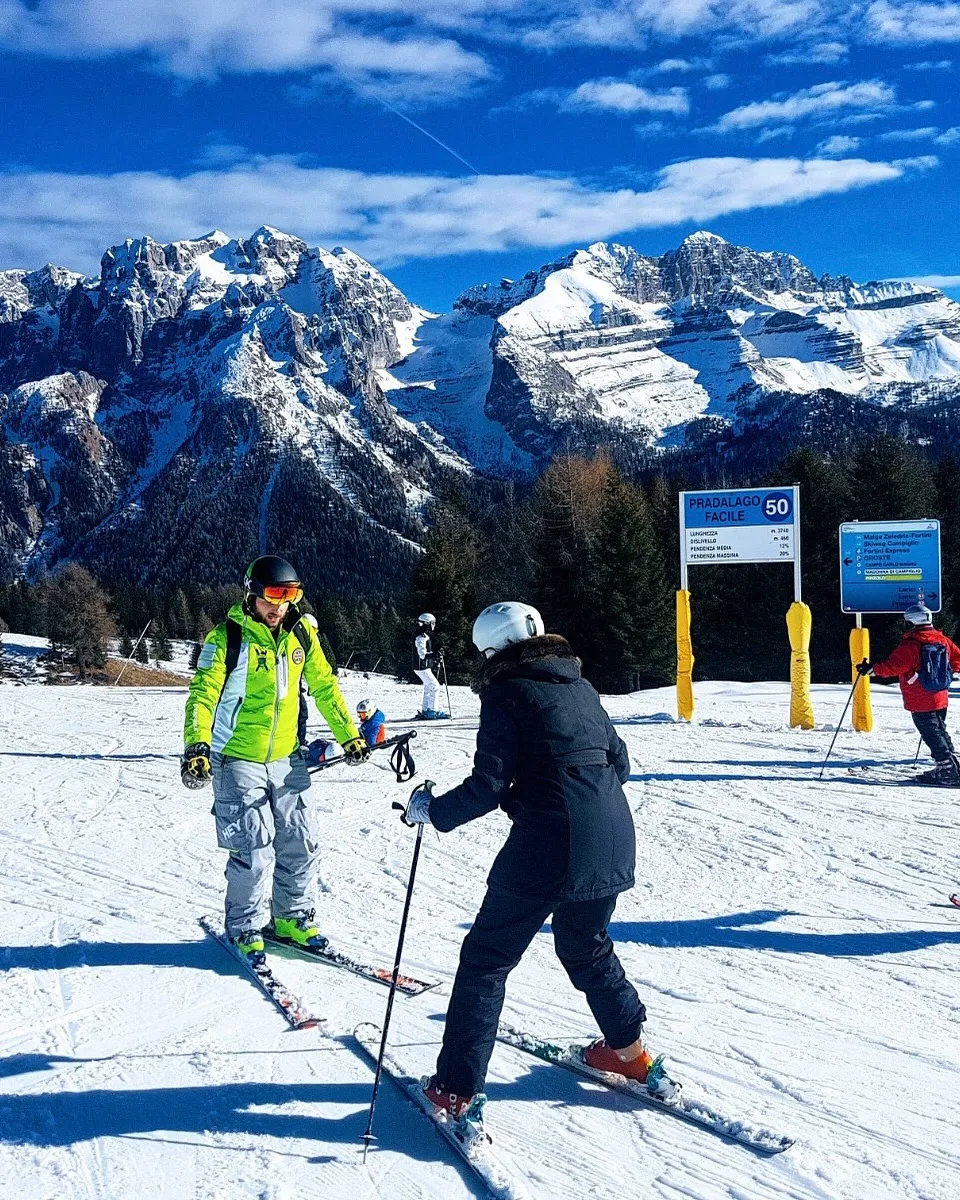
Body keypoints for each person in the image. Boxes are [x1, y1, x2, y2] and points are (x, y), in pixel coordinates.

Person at [400, 601, 672, 1130]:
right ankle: (630, 1055)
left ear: (494, 650)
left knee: (486, 959)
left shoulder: (506, 691)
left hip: (550, 844)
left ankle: (456, 1090)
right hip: (612, 836)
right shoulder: (579, 684)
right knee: (585, 946)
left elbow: (488, 784)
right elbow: (620, 762)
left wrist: (433, 811)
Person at [181, 555, 370, 963]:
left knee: (302, 841)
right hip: (236, 758)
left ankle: (291, 918)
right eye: (272, 595)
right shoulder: (227, 638)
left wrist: (350, 736)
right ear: (252, 595)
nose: (279, 606)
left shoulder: (301, 635)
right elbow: (202, 694)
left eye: (289, 596)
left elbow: (324, 686)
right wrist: (197, 745)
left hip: (287, 757)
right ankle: (245, 926)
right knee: (254, 847)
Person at [858, 602, 960, 785]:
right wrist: (947, 673)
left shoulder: (912, 645)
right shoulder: (941, 639)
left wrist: (871, 670)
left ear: (913, 622)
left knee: (931, 732)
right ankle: (951, 766)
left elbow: (892, 666)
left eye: (907, 622)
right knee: (939, 730)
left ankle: (946, 769)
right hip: (940, 694)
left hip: (920, 697)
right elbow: (957, 657)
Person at [413, 613, 447, 719]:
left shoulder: (423, 636)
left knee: (429, 687)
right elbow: (422, 655)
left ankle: (426, 709)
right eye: (432, 623)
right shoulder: (421, 637)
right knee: (435, 686)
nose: (434, 625)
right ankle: (432, 711)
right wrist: (435, 654)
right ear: (427, 624)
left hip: (422, 667)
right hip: (421, 667)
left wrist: (435, 655)